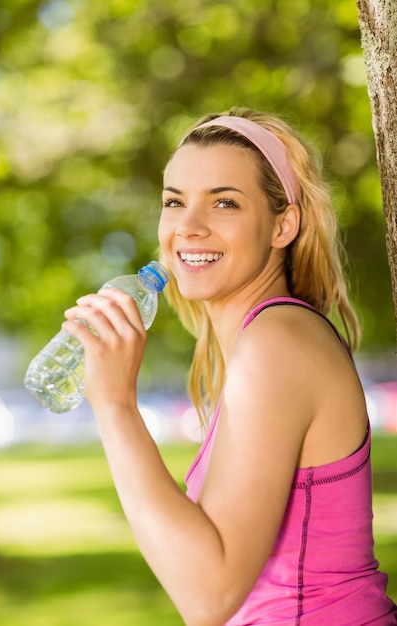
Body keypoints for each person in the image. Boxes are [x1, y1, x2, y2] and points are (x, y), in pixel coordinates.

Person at [62, 107, 397, 625]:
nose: (189, 227)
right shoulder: (262, 343)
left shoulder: (277, 344)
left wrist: (115, 405)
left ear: (282, 224)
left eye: (224, 202)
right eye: (174, 201)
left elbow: (209, 596)